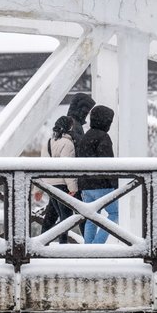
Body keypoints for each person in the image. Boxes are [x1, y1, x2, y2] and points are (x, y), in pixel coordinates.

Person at [41, 93, 95, 232]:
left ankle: (42, 242)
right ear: (82, 109)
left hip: (57, 178)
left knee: (53, 213)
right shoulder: (74, 125)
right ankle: (87, 246)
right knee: (80, 213)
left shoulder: (65, 123)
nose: (87, 114)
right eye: (87, 110)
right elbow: (78, 148)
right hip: (69, 177)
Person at [76, 105, 118, 244]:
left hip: (85, 185)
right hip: (102, 184)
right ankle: (97, 244)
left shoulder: (86, 136)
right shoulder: (103, 137)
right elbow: (107, 163)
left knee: (91, 217)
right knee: (115, 213)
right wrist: (115, 183)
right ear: (105, 121)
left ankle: (89, 248)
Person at [37, 116, 79, 244]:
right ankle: (63, 244)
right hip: (62, 184)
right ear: (69, 127)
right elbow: (67, 168)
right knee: (66, 217)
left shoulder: (49, 142)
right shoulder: (67, 143)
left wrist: (38, 189)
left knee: (52, 214)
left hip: (49, 184)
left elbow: (40, 166)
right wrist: (73, 188)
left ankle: (42, 241)